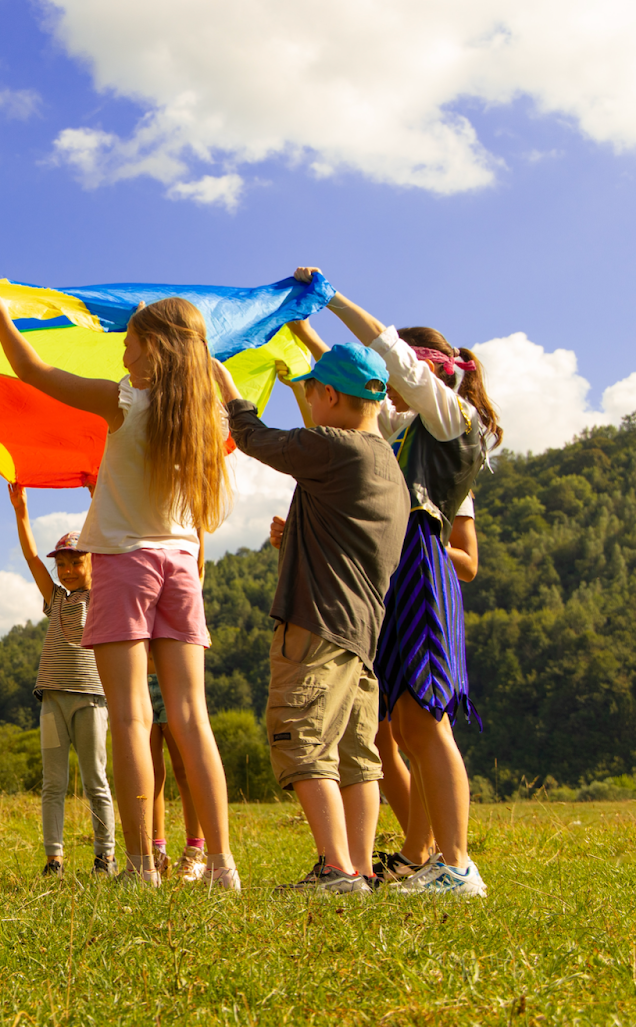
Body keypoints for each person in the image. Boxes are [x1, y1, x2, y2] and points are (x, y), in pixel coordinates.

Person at [0, 289, 239, 889]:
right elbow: (225, 388)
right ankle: (223, 865)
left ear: (153, 349)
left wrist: (1, 318)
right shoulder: (210, 417)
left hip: (124, 562)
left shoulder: (125, 401)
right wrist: (209, 364)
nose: (122, 351)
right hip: (180, 564)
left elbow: (34, 370)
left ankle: (143, 866)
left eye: (130, 341)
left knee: (129, 717)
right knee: (194, 717)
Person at [300, 268, 501, 896]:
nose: (388, 389)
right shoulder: (404, 426)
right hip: (393, 565)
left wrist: (331, 300)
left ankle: (457, 862)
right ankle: (435, 858)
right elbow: (357, 395)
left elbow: (384, 353)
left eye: (400, 376)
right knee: (408, 722)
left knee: (427, 720)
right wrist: (304, 333)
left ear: (425, 372)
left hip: (422, 562)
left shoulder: (449, 417)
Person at [214, 331, 409, 894]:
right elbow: (350, 541)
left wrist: (231, 392)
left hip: (318, 622)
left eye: (312, 391)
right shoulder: (384, 464)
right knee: (355, 754)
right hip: (360, 632)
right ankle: (362, 869)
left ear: (328, 394)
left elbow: (255, 438)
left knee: (303, 738)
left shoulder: (336, 446)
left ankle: (335, 867)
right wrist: (295, 534)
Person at [368, 493, 476, 877]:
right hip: (390, 593)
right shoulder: (395, 460)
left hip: (424, 586)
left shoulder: (444, 477)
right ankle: (417, 854)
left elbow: (469, 562)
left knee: (427, 723)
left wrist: (426, 543)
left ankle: (456, 864)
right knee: (404, 730)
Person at [10, 487, 115, 877]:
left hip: (90, 700)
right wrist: (22, 511)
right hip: (52, 701)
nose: (68, 569)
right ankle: (54, 858)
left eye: (77, 561)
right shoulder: (54, 598)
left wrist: (98, 497)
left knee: (95, 781)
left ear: (92, 562)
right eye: (64, 564)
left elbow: (109, 541)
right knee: (53, 782)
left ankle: (105, 855)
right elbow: (32, 558)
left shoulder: (102, 594)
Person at [149, 688, 207, 882]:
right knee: (150, 775)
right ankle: (157, 856)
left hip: (171, 682)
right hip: (139, 680)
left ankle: (195, 853)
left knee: (184, 770)